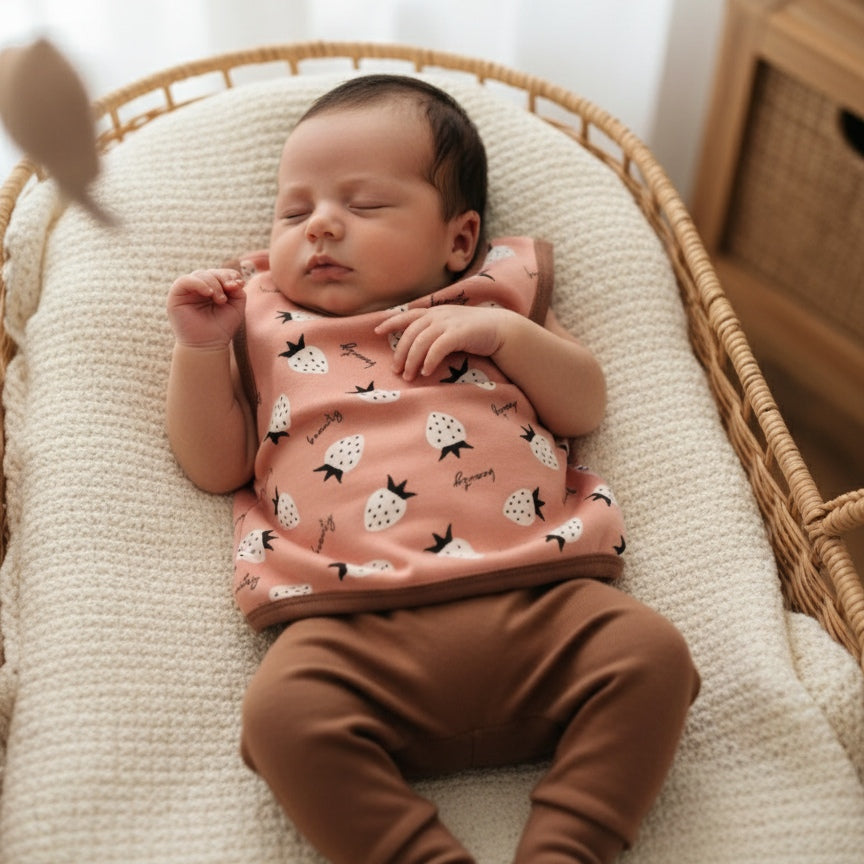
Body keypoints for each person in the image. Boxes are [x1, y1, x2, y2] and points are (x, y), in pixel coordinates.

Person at [166, 74, 699, 864]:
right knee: (279, 714)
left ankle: (567, 847)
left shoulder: (493, 300)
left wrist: (505, 337)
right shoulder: (258, 316)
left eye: (365, 205)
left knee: (654, 657)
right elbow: (216, 468)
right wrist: (201, 348)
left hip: (542, 600)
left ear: (458, 239)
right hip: (349, 625)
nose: (321, 226)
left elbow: (583, 406)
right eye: (295, 212)